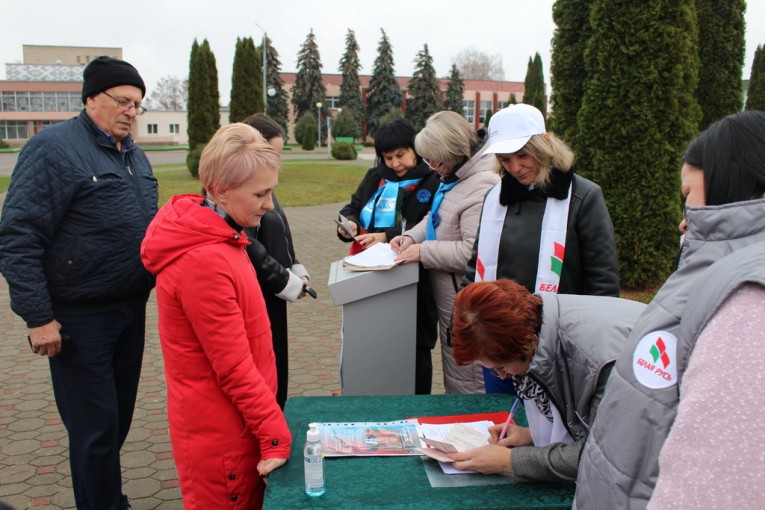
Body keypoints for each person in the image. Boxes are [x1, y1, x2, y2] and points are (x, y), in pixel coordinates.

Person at [576, 110, 765, 509]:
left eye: (687, 198)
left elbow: (714, 483)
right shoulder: (721, 275)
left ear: (728, 187)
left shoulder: (748, 296)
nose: (683, 222)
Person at [0, 56, 155, 510]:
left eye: (137, 104)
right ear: (90, 99)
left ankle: (106, 497)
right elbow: (17, 235)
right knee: (95, 428)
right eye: (121, 100)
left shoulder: (136, 156)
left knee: (117, 421)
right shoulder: (54, 148)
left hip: (130, 309)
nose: (130, 111)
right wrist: (39, 316)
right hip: (79, 318)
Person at [140, 123, 291, 509]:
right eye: (260, 193)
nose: (269, 205)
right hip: (222, 434)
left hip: (238, 424)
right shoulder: (203, 259)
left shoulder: (223, 238)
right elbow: (233, 366)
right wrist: (274, 434)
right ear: (220, 191)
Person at [465, 103, 619, 394]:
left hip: (561, 350)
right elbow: (475, 269)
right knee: (504, 428)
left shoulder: (584, 197)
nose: (515, 167)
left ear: (546, 143)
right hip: (500, 348)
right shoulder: (495, 198)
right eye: (505, 159)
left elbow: (603, 283)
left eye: (523, 155)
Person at [446, 280, 644, 482]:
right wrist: (531, 435)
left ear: (528, 343)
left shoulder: (601, 361)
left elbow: (602, 454)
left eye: (502, 367)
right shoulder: (541, 324)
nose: (503, 376)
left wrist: (511, 461)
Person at [391, 111, 500, 394]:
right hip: (451, 300)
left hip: (466, 303)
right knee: (456, 372)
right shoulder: (455, 175)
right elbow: (437, 216)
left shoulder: (482, 183)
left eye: (435, 159)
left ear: (453, 151)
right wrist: (409, 236)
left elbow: (471, 252)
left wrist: (422, 251)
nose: (432, 166)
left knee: (470, 381)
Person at [336, 118, 440, 393]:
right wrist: (348, 224)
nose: (395, 164)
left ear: (415, 149)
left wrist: (387, 234)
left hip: (416, 280)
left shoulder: (432, 179)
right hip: (372, 277)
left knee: (415, 348)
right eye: (388, 157)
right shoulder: (376, 177)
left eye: (400, 155)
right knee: (378, 342)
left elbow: (430, 224)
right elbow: (353, 207)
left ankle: (418, 405)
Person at [241, 113, 311, 409]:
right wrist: (286, 280)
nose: (277, 163)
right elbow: (248, 246)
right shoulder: (240, 192)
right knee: (263, 377)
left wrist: (295, 266)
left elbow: (280, 231)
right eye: (271, 154)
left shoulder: (264, 185)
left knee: (276, 371)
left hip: (274, 295)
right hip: (258, 296)